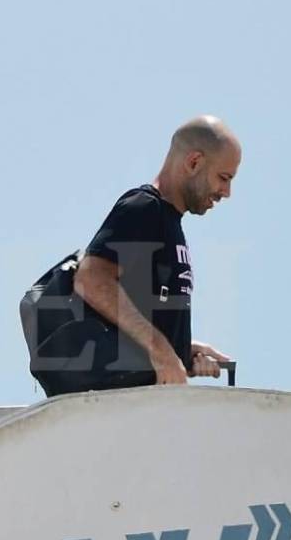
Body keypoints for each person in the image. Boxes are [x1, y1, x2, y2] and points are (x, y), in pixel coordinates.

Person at [30, 115, 238, 395]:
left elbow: (134, 322)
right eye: (223, 178)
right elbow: (91, 279)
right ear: (194, 163)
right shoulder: (144, 208)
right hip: (120, 415)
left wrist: (181, 351)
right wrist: (163, 352)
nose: (226, 192)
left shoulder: (168, 221)